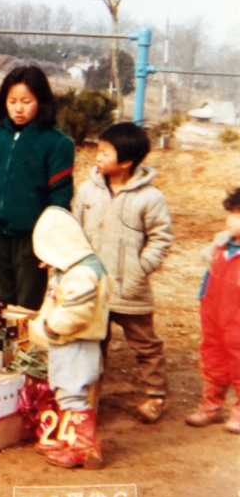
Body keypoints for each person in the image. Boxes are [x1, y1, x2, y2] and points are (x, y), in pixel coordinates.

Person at [75, 122, 173, 423]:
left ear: (127, 162)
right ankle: (89, 400)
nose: (97, 157)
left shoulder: (150, 198)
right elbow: (75, 228)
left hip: (131, 288)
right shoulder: (87, 190)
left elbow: (161, 237)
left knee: (145, 343)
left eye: (105, 152)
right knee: (92, 345)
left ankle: (155, 395)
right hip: (94, 286)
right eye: (98, 150)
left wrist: (141, 268)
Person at [0, 66, 75, 310]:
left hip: (33, 238)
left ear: (41, 102)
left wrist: (51, 243)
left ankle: (27, 347)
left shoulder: (57, 143)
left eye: (26, 101)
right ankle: (4, 348)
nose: (18, 108)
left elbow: (60, 197)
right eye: (12, 101)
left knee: (28, 304)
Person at [29, 206, 111, 469]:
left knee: (73, 395)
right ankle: (72, 439)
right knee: (67, 392)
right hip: (68, 344)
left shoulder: (82, 275)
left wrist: (53, 327)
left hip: (75, 343)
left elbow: (76, 312)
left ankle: (84, 447)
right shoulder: (72, 269)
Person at [184, 188, 240, 434]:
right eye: (232, 214)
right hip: (214, 312)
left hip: (237, 319)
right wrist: (203, 300)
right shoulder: (219, 247)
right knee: (212, 355)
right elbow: (209, 276)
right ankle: (212, 403)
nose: (231, 220)